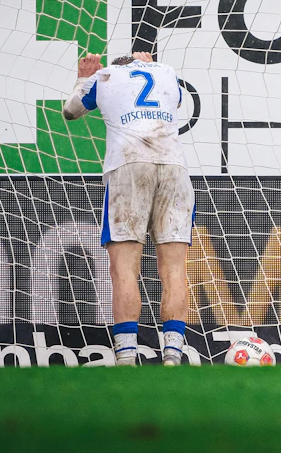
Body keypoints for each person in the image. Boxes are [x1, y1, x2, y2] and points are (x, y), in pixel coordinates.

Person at [63, 51, 194, 366]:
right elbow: (176, 101)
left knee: (124, 269)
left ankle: (126, 356)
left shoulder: (104, 76)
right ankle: (173, 356)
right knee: (174, 270)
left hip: (128, 166)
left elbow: (70, 111)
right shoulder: (166, 72)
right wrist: (148, 65)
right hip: (174, 168)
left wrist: (83, 78)